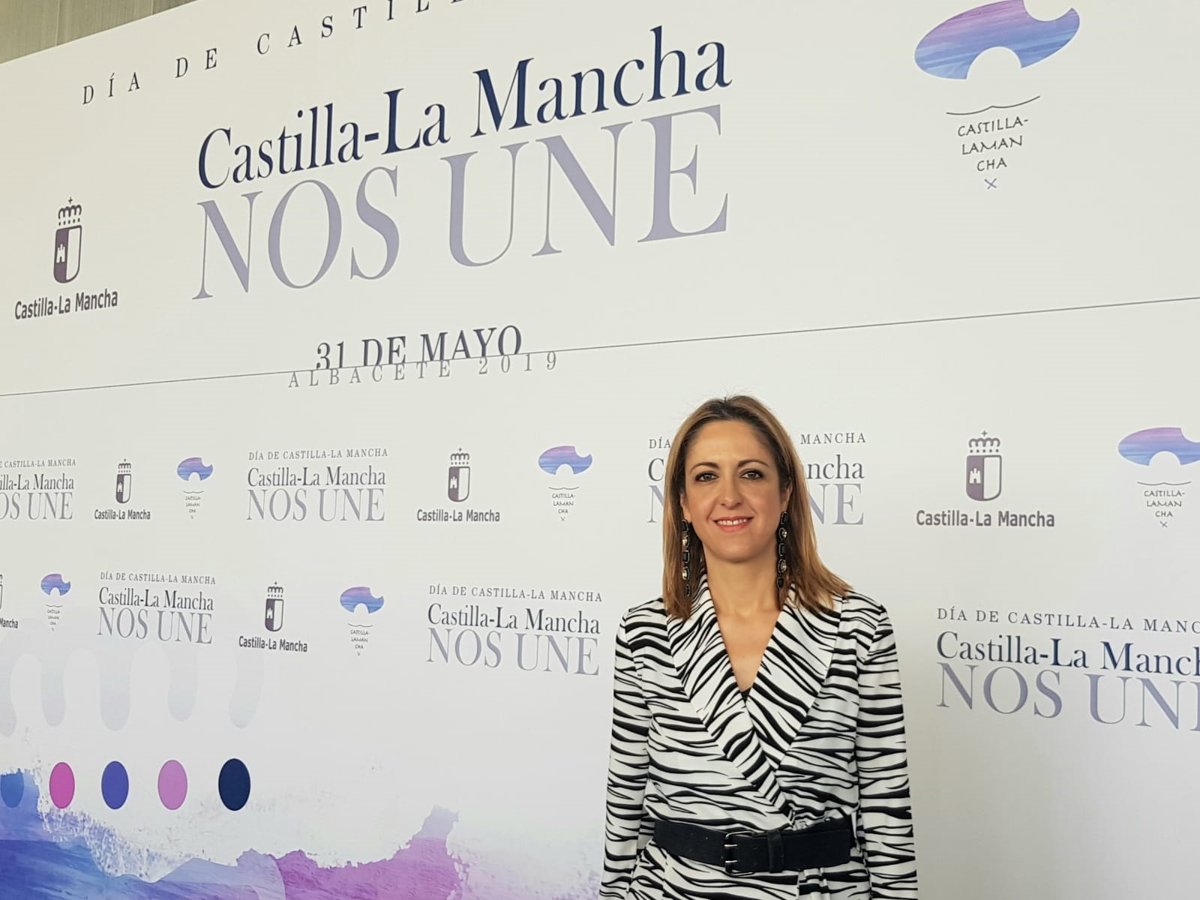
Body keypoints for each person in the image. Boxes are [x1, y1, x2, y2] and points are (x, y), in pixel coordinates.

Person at [600, 396, 917, 899]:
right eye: (706, 476)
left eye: (751, 474)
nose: (729, 496)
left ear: (785, 492)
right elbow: (625, 802)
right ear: (683, 504)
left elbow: (887, 810)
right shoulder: (645, 632)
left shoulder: (859, 627)